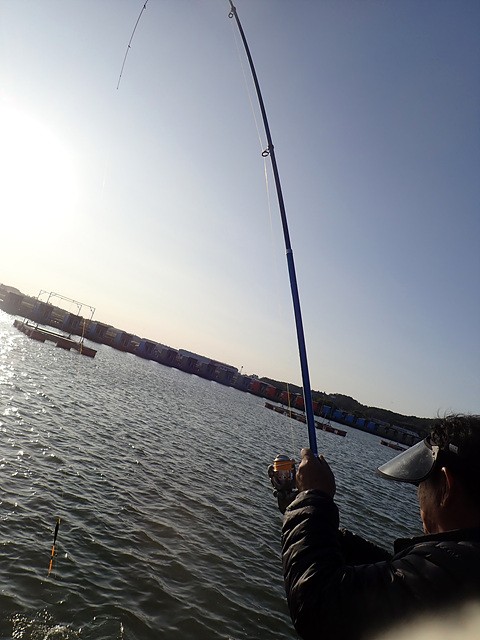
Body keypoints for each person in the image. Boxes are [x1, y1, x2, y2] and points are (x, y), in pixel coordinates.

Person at [281, 414, 480, 640]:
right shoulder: (464, 566)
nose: (419, 495)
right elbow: (397, 578)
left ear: (446, 487)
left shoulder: (456, 574)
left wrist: (313, 497)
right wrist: (315, 522)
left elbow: (317, 604)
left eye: (420, 482)